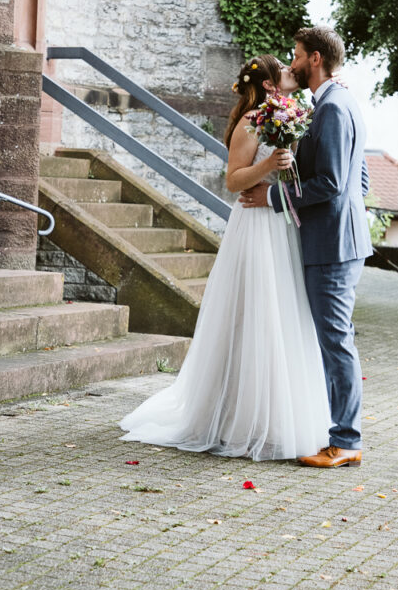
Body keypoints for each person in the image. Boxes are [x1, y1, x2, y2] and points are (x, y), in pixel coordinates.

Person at [119, 53, 331, 460]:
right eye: (284, 70)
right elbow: (234, 179)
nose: (292, 71)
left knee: (281, 315)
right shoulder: (252, 121)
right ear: (269, 85)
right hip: (254, 227)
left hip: (279, 223)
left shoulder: (287, 113)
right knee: (253, 315)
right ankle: (237, 417)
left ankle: (274, 416)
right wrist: (270, 163)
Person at [240, 26, 372, 468]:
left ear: (315, 59)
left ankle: (346, 440)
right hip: (340, 238)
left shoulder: (332, 108)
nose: (290, 61)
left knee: (336, 342)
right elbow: (360, 179)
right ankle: (342, 435)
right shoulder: (339, 102)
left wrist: (274, 197)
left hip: (332, 244)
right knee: (337, 339)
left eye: (296, 54)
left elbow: (333, 183)